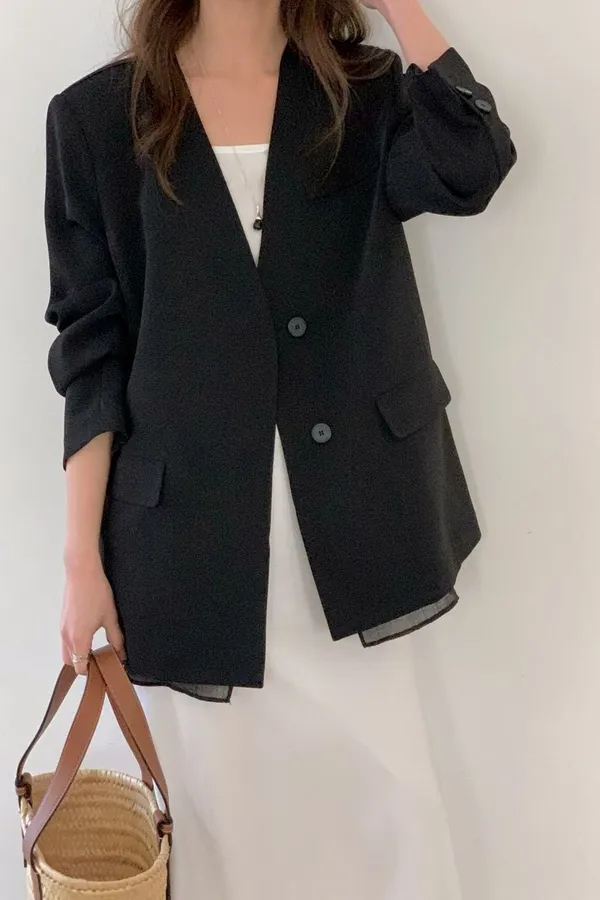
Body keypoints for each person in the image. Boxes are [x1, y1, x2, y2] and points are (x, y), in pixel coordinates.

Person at [43, 0, 516, 896]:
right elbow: (89, 350)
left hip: (356, 527)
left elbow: (472, 164)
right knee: (225, 827)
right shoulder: (97, 119)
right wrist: (79, 561)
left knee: (394, 810)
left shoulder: (361, 92)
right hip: (191, 545)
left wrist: (400, 7)